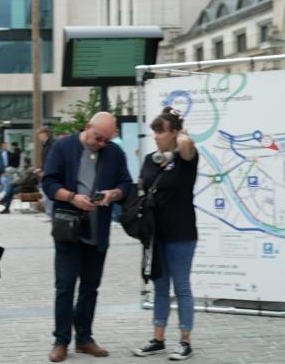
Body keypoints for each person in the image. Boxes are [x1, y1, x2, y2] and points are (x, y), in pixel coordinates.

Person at [42, 112, 132, 362]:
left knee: (90, 287)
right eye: (98, 138)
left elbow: (127, 184)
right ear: (86, 128)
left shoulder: (114, 152)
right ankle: (61, 340)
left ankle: (84, 338)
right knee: (65, 287)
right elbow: (48, 183)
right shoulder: (63, 147)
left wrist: (113, 194)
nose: (101, 144)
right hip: (68, 230)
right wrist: (72, 197)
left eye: (106, 139)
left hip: (98, 231)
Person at [132, 107, 198, 361]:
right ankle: (158, 338)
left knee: (181, 286)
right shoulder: (151, 159)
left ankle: (185, 341)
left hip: (181, 233)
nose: (156, 136)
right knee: (160, 287)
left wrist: (182, 134)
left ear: (174, 132)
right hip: (154, 233)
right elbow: (143, 184)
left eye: (161, 131)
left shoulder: (185, 158)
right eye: (155, 131)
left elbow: (185, 144)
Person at [37, 126, 57, 217]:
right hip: (45, 170)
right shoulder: (45, 144)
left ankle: (50, 213)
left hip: (49, 171)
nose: (38, 137)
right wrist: (41, 169)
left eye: (39, 134)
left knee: (48, 192)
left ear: (45, 134)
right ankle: (49, 212)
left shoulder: (51, 144)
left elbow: (50, 159)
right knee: (45, 192)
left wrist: (45, 170)